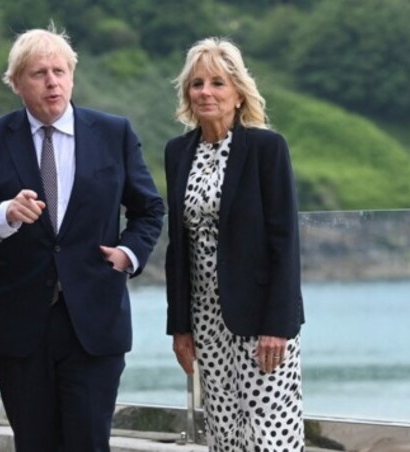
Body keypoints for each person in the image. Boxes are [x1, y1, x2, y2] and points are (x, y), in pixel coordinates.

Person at [0, 26, 164, 452]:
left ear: (72, 75)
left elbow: (149, 209)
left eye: (59, 71)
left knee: (88, 441)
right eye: (38, 73)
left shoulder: (114, 133)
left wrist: (128, 253)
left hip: (93, 319)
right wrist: (5, 213)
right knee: (34, 443)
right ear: (16, 83)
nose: (52, 82)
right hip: (17, 322)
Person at [164, 37, 305, 450]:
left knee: (268, 434)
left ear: (239, 93)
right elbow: (178, 246)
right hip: (206, 320)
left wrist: (278, 326)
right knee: (224, 432)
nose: (205, 92)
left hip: (263, 320)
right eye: (197, 83)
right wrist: (180, 326)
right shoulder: (178, 153)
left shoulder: (266, 148)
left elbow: (285, 242)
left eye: (218, 83)